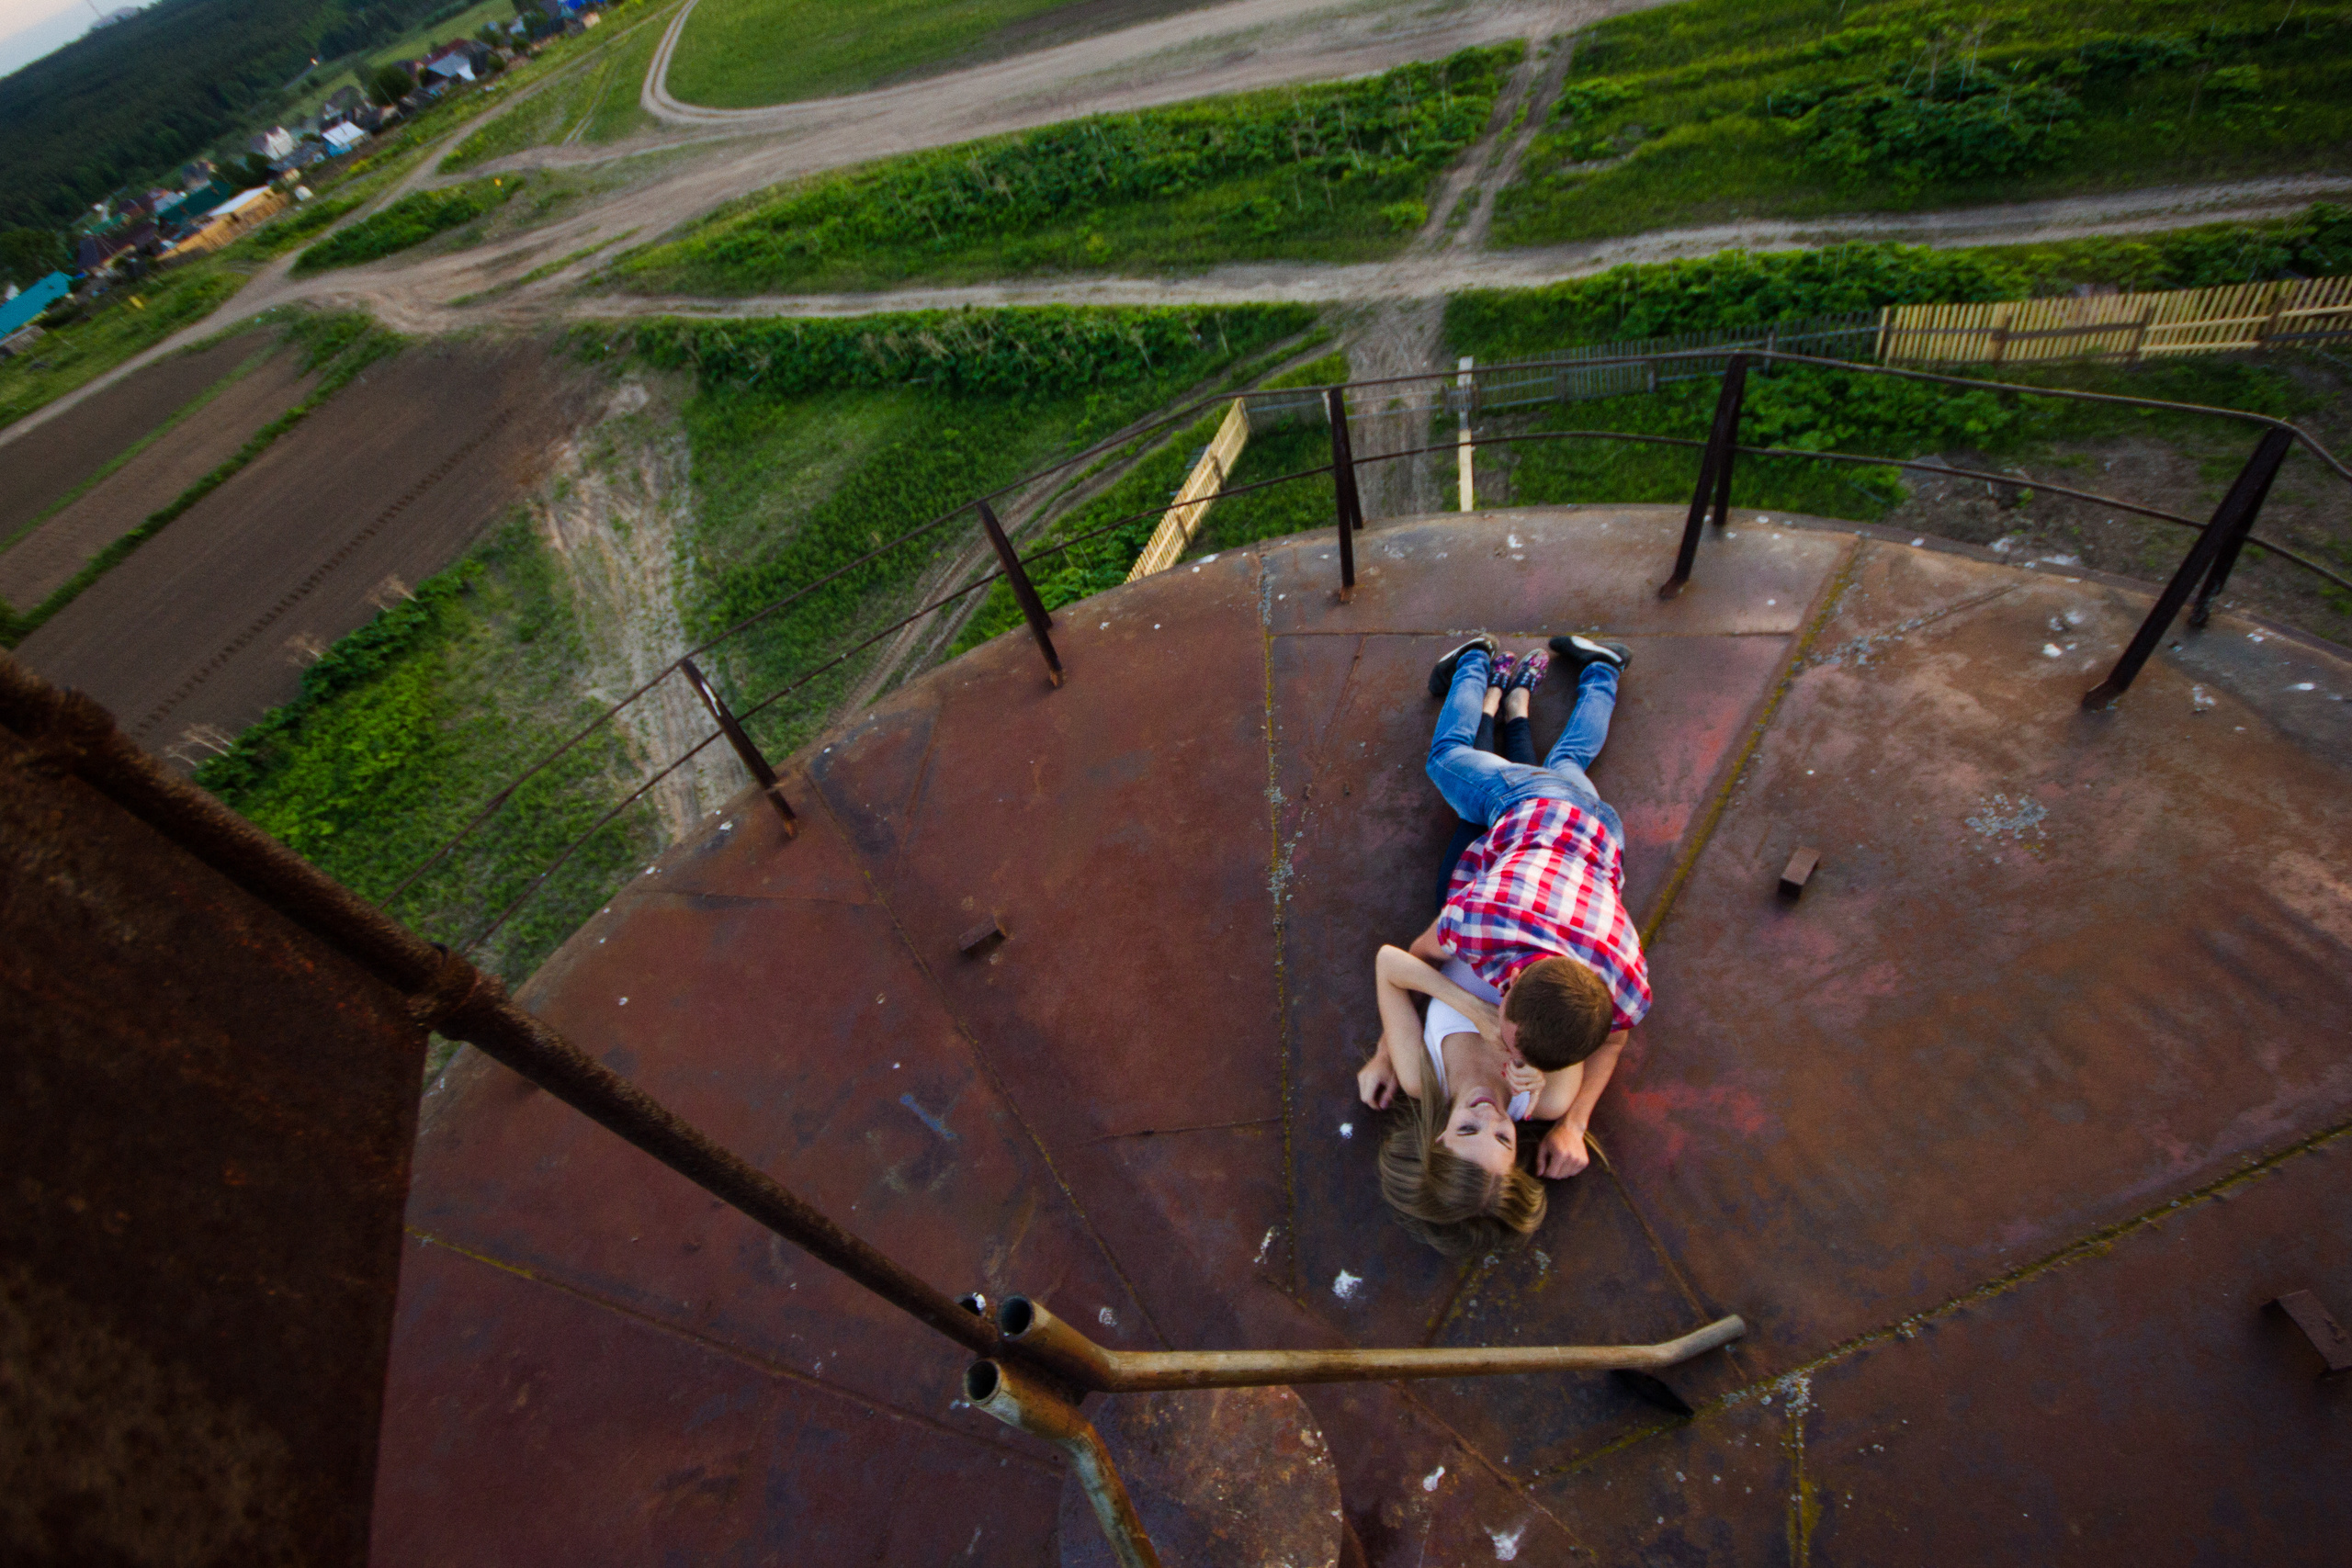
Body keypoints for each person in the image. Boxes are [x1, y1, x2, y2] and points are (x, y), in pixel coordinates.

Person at [1357, 633, 1651, 1252]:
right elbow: (1604, 1030)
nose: (1492, 1115)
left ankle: (1598, 671)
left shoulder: (1420, 1075)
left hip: (1565, 847)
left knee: (1568, 763)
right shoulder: (1545, 1096)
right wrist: (1572, 1118)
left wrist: (1402, 1044)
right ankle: (1475, 659)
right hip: (1513, 859)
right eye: (1503, 1138)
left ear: (1439, 1133)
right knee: (1449, 759)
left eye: (1470, 1125)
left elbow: (1393, 963)